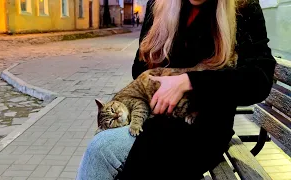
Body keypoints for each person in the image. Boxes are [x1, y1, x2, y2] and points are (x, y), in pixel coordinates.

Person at [76, 0, 276, 179]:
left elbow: (259, 79)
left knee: (102, 150)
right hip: (155, 118)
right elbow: (139, 69)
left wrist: (189, 81)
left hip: (202, 127)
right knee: (103, 145)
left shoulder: (243, 6)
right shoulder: (159, 5)